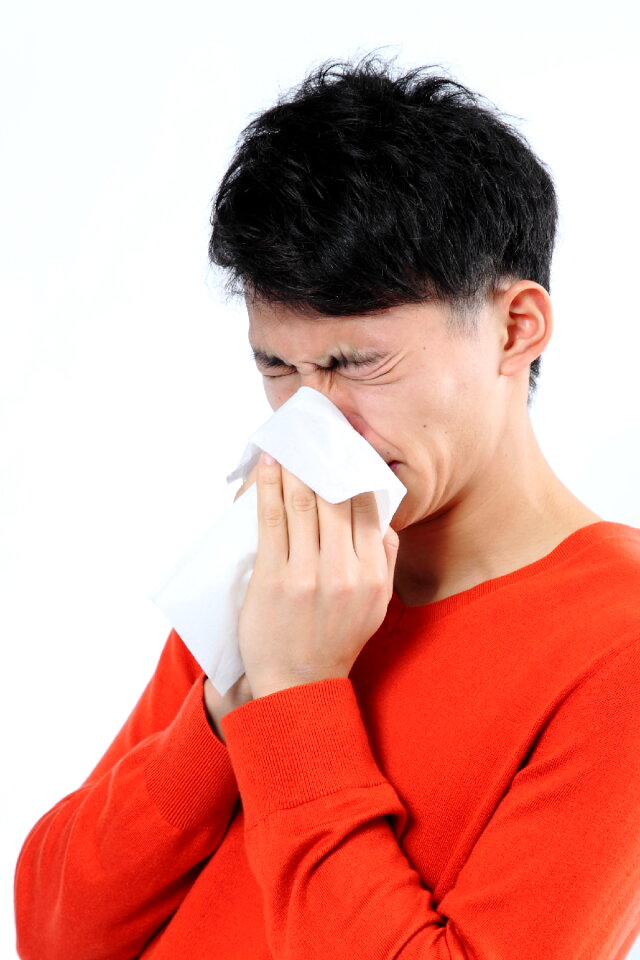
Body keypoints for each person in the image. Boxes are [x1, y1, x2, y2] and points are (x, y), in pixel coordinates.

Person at [14, 53, 640, 960]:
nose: (316, 423)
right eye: (278, 367)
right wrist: (233, 701)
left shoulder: (616, 639)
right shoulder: (282, 558)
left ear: (516, 329)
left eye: (359, 365)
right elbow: (58, 932)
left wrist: (301, 694)